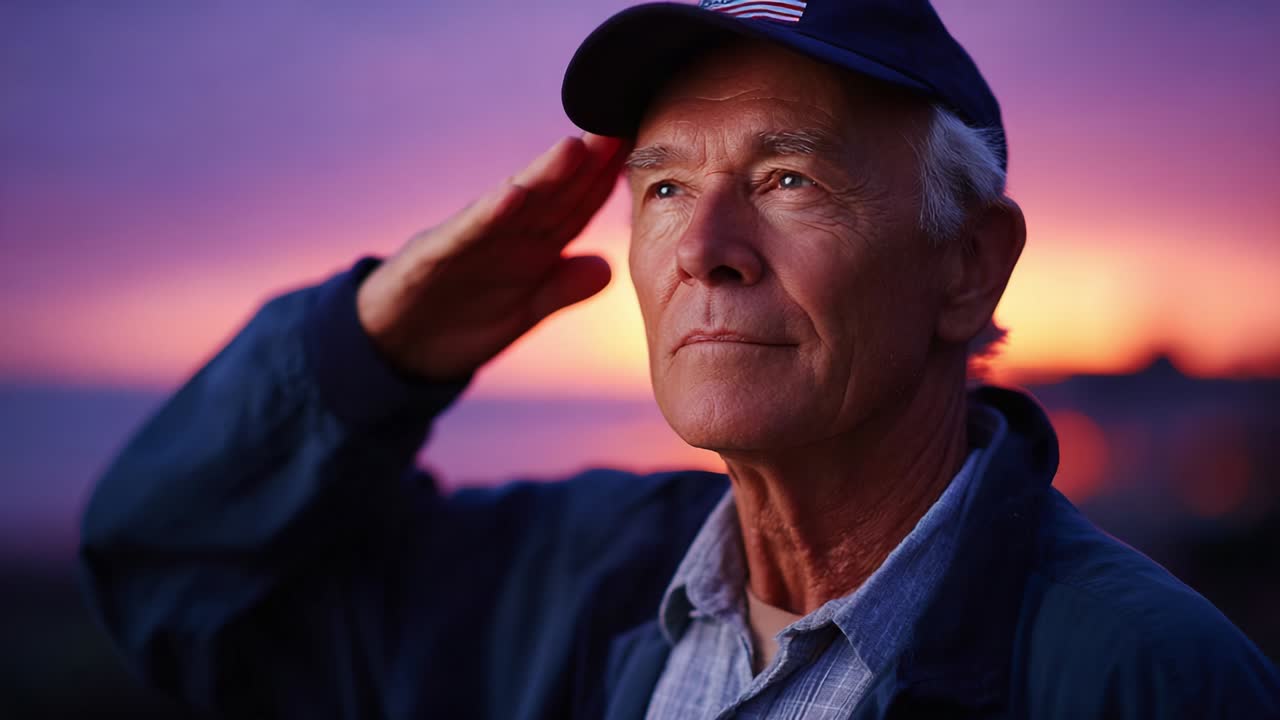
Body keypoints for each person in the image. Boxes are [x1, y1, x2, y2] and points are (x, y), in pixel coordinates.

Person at [80, 0, 1279, 718]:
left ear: (965, 266)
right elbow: (177, 578)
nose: (704, 248)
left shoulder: (1146, 678)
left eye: (785, 179)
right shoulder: (549, 589)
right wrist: (364, 352)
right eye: (662, 185)